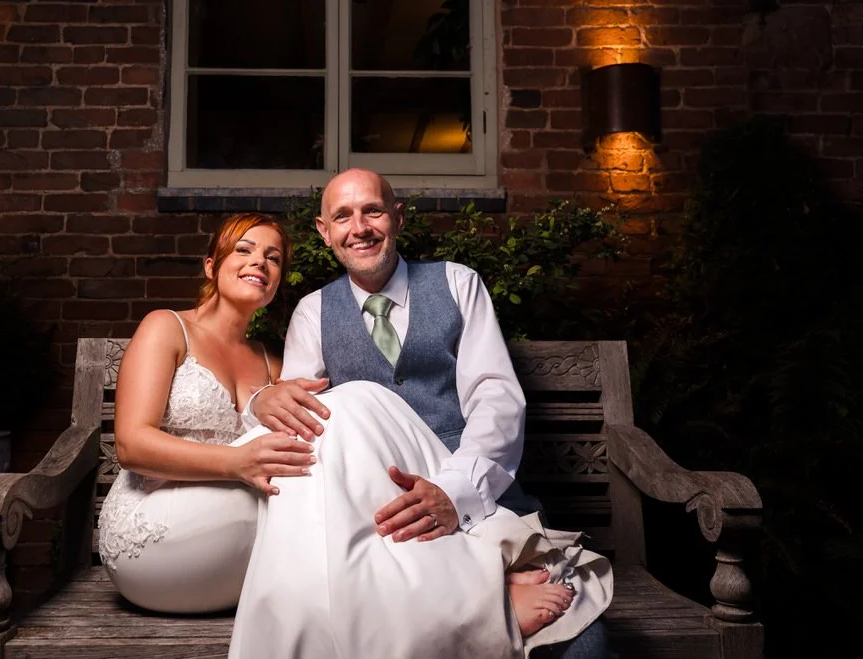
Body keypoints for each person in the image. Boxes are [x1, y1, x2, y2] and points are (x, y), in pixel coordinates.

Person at [234, 169, 612, 657]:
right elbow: (305, 418)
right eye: (342, 216)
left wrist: (455, 493)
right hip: (379, 515)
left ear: (397, 217)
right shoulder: (313, 312)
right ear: (324, 232)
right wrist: (264, 399)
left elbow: (495, 399)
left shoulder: (457, 283)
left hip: (477, 495)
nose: (360, 227)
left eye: (372, 210)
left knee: (584, 646)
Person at [96, 213, 315, 613]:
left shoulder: (272, 359)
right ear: (211, 266)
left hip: (230, 543)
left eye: (273, 258)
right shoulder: (167, 327)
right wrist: (238, 462)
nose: (259, 263)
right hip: (153, 534)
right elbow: (131, 445)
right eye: (243, 250)